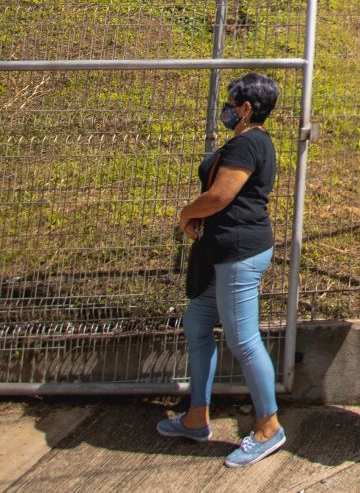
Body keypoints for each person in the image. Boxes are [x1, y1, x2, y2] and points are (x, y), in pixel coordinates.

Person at [158, 72, 285, 469]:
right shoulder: (244, 142)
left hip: (238, 253)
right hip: (222, 249)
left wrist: (186, 213)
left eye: (232, 104)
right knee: (197, 324)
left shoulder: (249, 143)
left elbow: (220, 195)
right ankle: (197, 417)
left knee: (242, 339)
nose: (227, 110)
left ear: (248, 108)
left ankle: (269, 426)